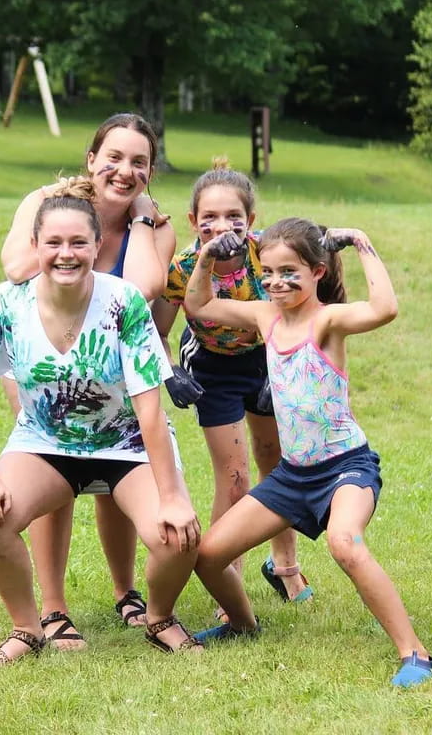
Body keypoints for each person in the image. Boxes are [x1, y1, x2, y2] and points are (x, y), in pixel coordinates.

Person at [0, 182, 201, 665]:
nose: (66, 254)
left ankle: (160, 617)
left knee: (177, 536)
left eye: (78, 243)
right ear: (36, 247)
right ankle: (27, 627)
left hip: (125, 441)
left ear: (97, 246)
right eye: (54, 244)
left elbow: (149, 406)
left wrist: (170, 496)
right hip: (44, 440)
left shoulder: (123, 302)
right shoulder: (5, 304)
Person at [183, 218, 432, 687]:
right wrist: (206, 257)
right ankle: (242, 625)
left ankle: (416, 654)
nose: (277, 282)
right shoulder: (264, 316)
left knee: (345, 543)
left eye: (290, 272)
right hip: (291, 476)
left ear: (318, 272)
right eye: (270, 272)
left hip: (346, 468)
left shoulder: (328, 320)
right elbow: (197, 305)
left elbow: (385, 308)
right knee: (208, 555)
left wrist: (363, 241)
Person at [0, 113, 177, 643]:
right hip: (47, 362)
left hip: (118, 371)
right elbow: (14, 265)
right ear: (92, 159)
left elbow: (143, 286)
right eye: (114, 157)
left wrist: (142, 220)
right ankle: (53, 609)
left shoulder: (157, 227)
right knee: (55, 471)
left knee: (116, 472)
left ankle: (126, 591)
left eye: (139, 162)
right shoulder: (46, 203)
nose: (124, 171)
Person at [151, 160, 312, 617]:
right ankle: (229, 581)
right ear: (192, 222)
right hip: (212, 367)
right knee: (236, 478)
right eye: (210, 219)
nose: (222, 227)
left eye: (233, 218)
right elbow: (159, 332)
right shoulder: (182, 268)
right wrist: (171, 374)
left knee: (276, 463)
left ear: (251, 222)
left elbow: (305, 316)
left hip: (266, 360)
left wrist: (282, 369)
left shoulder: (269, 256)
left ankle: (284, 566)